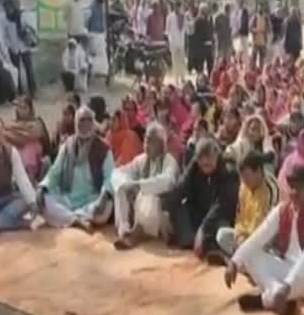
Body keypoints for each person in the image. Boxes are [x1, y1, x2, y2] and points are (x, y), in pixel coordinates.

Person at [226, 164, 304, 315]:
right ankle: (278, 297)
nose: (293, 193)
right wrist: (235, 262)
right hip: (286, 267)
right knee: (249, 256)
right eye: (291, 187)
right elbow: (259, 236)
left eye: (299, 188)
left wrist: (287, 286)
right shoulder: (282, 210)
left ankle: (266, 300)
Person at [38, 106, 115, 230]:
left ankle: (69, 218)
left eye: (89, 120)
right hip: (68, 198)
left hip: (92, 198)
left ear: (94, 123)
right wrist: (43, 187)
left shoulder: (103, 148)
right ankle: (76, 219)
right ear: (76, 123)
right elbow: (55, 172)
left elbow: (110, 177)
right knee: (43, 200)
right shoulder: (67, 145)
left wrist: (103, 197)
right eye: (82, 120)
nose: (86, 124)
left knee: (106, 208)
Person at [164, 138, 239, 259]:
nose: (205, 167)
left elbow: (222, 205)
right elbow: (181, 188)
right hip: (198, 210)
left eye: (209, 163)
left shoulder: (229, 170)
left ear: (216, 155)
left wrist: (203, 228)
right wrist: (166, 211)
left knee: (221, 229)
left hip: (218, 216)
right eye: (202, 164)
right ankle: (191, 241)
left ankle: (211, 248)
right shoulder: (195, 165)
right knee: (178, 208)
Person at [112, 122, 179, 250]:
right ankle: (124, 230)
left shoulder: (169, 161)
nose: (146, 145)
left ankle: (136, 234)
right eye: (145, 140)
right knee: (121, 187)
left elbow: (167, 182)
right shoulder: (141, 160)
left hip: (161, 213)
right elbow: (118, 173)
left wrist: (139, 185)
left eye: (151, 142)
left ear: (161, 144)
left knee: (149, 195)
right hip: (139, 208)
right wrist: (128, 184)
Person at [216, 151, 279, 256]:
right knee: (221, 235)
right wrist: (239, 236)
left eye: (247, 176)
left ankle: (241, 260)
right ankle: (243, 260)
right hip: (244, 238)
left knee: (265, 250)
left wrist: (246, 242)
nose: (244, 181)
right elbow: (239, 218)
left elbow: (266, 228)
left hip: (264, 241)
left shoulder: (270, 189)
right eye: (242, 177)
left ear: (258, 171)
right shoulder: (244, 186)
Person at [5, 96, 52, 182]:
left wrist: (17, 131)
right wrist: (22, 131)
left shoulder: (37, 122)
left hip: (34, 156)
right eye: (20, 108)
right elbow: (7, 135)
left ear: (30, 109)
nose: (22, 111)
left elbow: (32, 135)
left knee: (30, 145)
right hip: (17, 151)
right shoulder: (12, 123)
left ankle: (29, 176)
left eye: (24, 108)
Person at [2, 0, 36, 98]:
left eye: (9, 7)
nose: (7, 10)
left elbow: (29, 28)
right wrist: (9, 46)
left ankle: (32, 90)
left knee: (29, 69)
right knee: (17, 71)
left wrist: (27, 36)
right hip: (14, 49)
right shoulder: (5, 20)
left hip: (24, 46)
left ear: (12, 7)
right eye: (6, 8)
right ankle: (20, 91)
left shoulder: (21, 16)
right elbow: (5, 36)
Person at [191, 3, 214, 75]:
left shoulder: (209, 19)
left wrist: (212, 40)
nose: (206, 11)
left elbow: (211, 30)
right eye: (205, 10)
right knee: (200, 66)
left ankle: (210, 79)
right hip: (201, 46)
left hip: (209, 45)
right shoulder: (197, 20)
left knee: (210, 64)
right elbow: (196, 35)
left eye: (207, 10)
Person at [166, 1, 186, 83]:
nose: (176, 8)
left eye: (178, 6)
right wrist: (169, 40)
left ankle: (182, 77)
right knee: (175, 61)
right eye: (175, 6)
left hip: (181, 42)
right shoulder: (170, 17)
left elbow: (185, 28)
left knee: (181, 60)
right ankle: (176, 78)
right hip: (173, 41)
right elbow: (167, 30)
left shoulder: (183, 16)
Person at [250, 2, 270, 68]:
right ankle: (253, 71)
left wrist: (265, 30)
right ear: (257, 8)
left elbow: (269, 28)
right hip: (255, 41)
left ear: (263, 8)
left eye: (261, 7)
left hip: (263, 41)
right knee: (254, 57)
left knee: (262, 58)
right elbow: (250, 28)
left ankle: (261, 72)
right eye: (259, 7)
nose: (260, 8)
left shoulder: (266, 18)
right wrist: (256, 30)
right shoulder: (254, 17)